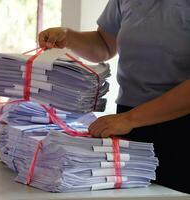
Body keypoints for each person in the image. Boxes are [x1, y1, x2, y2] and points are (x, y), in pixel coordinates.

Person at [38, 0, 190, 194]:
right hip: (129, 123)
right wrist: (69, 37)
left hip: (179, 124)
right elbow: (104, 45)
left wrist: (131, 118)